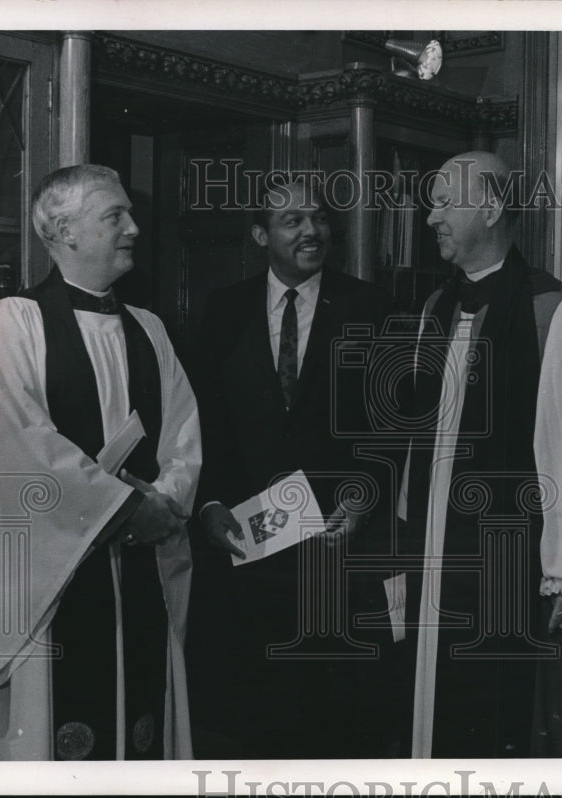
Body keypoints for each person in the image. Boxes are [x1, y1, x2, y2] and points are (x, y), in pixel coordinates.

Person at [0, 164, 200, 760]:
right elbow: (20, 445)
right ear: (64, 231)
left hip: (136, 571)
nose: (134, 227)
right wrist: (129, 508)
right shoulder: (13, 321)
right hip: (47, 584)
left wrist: (163, 501)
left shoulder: (150, 329)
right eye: (115, 216)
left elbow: (184, 438)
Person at [399, 151, 562, 758]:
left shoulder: (556, 312)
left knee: (498, 719)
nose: (430, 218)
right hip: (435, 553)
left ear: (491, 208)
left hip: (509, 565)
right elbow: (420, 445)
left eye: (445, 201)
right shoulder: (435, 310)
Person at [187, 176, 396, 758]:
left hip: (337, 553)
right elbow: (203, 425)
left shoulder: (372, 307)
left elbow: (391, 429)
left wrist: (362, 497)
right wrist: (207, 505)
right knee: (253, 727)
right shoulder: (223, 310)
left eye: (320, 218)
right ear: (261, 235)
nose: (312, 231)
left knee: (336, 728)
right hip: (247, 557)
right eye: (293, 221)